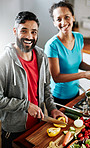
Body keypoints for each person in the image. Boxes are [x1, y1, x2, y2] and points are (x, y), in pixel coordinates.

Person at [0, 11, 68, 148]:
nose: (29, 36)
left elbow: (46, 88)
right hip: (13, 131)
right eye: (24, 31)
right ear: (15, 31)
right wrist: (26, 105)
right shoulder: (4, 61)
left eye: (34, 32)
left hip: (38, 124)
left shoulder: (42, 56)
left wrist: (53, 109)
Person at [44, 0, 90, 106]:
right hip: (58, 97)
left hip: (75, 92)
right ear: (54, 23)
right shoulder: (52, 45)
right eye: (58, 19)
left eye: (67, 17)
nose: (63, 22)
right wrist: (84, 74)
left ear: (73, 17)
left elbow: (79, 63)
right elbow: (56, 77)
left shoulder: (79, 37)